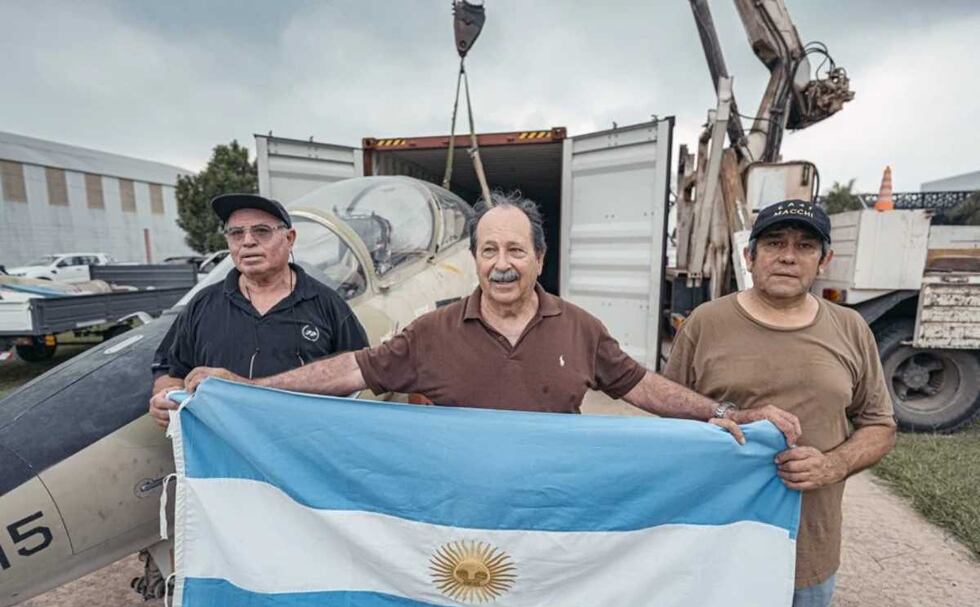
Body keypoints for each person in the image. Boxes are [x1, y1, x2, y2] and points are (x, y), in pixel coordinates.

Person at [186, 192, 801, 444]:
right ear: (475, 260)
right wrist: (249, 389)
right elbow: (349, 370)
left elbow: (643, 387)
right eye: (488, 251)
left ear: (539, 258)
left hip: (548, 518)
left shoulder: (581, 328)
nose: (501, 265)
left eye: (514, 250)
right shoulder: (431, 332)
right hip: (460, 523)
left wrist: (724, 413)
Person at [663, 199, 896, 607]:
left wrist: (833, 465)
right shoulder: (705, 323)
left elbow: (880, 425)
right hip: (716, 538)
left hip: (806, 549)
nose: (788, 256)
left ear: (824, 260)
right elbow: (669, 413)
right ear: (749, 256)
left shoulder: (850, 329)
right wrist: (711, 426)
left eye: (805, 246)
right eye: (774, 243)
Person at [149, 193, 369, 428]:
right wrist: (166, 396)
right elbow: (171, 369)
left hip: (304, 444)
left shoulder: (327, 304)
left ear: (289, 238)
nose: (248, 242)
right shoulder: (203, 304)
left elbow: (359, 372)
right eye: (236, 233)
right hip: (223, 446)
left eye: (262, 231)